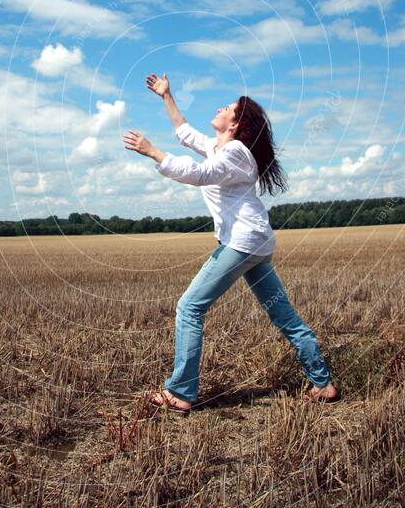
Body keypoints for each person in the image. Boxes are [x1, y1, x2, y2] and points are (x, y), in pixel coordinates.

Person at [122, 72, 340, 415]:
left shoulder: (236, 152)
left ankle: (180, 392)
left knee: (190, 307)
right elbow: (185, 133)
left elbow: (199, 175)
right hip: (255, 244)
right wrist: (166, 95)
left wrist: (152, 152)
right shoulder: (220, 146)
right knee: (283, 315)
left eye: (228, 108)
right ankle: (322, 384)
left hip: (243, 242)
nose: (221, 107)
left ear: (235, 125)